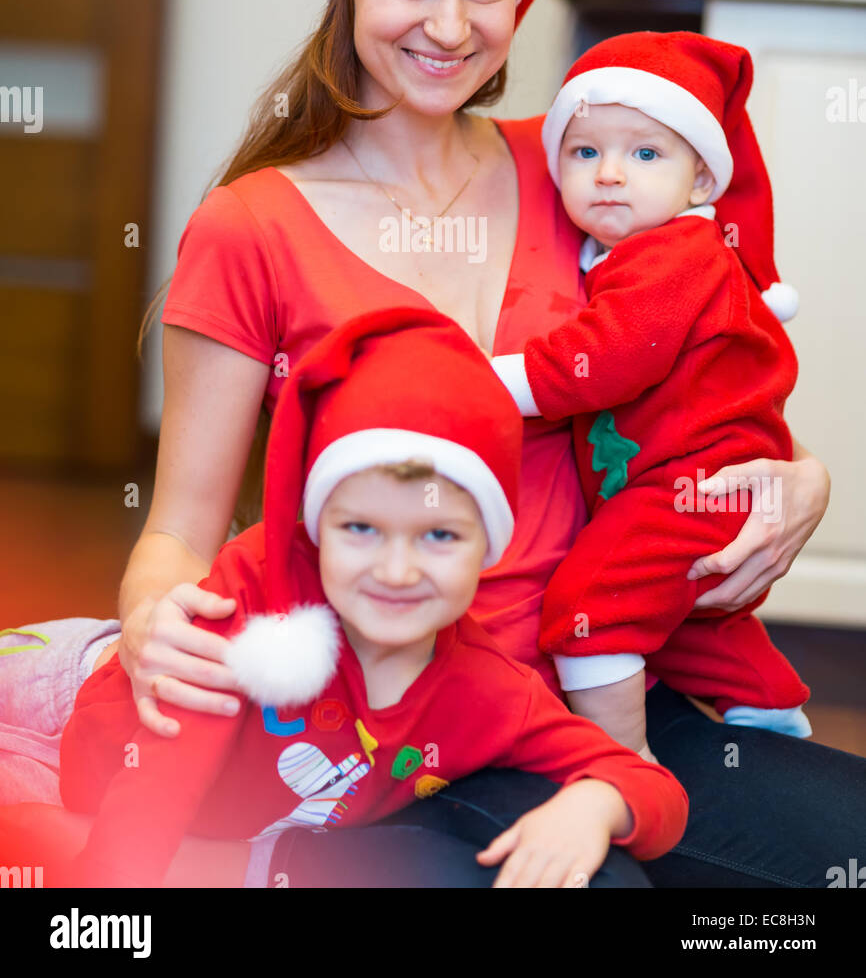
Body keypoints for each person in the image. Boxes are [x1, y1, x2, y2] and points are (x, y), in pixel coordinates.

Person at [0, 0, 857, 890]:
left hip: (599, 689)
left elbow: (707, 382)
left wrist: (803, 481)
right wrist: (151, 615)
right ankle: (301, 851)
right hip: (391, 724)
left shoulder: (578, 171)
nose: (448, 26)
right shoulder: (252, 225)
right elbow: (178, 524)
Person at [53, 307, 688, 890]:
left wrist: (594, 804)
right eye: (361, 529)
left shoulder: (487, 692)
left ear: (488, 547)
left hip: (232, 845)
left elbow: (652, 786)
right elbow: (159, 784)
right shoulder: (256, 591)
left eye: (439, 535)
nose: (397, 570)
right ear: (315, 529)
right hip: (76, 732)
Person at [491, 29, 813, 756]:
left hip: (689, 484)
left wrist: (481, 380)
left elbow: (605, 362)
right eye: (585, 152)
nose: (609, 173)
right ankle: (768, 717)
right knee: (688, 619)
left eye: (644, 154)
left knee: (592, 608)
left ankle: (619, 770)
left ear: (700, 183)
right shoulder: (626, 252)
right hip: (693, 481)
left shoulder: (676, 255)